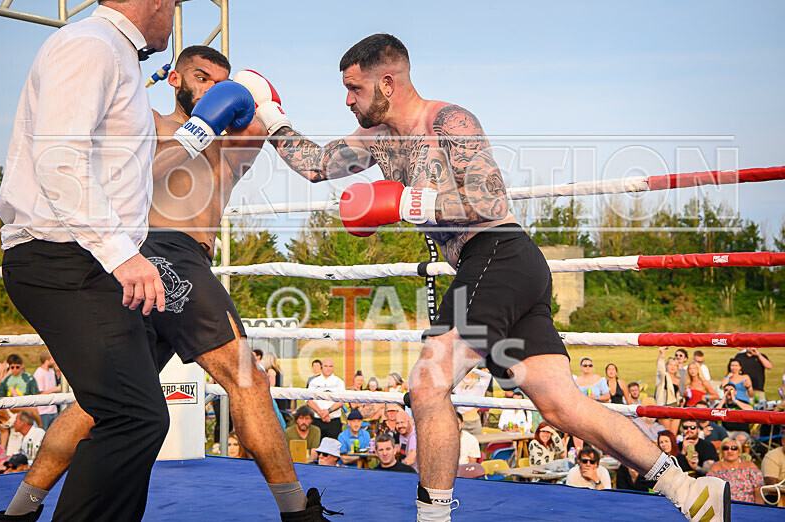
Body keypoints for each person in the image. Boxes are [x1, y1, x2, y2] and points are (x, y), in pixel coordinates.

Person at [246, 33, 729, 521]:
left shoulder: (449, 121)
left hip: (498, 254)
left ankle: (432, 516)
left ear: (387, 81)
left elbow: (491, 202)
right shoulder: (378, 141)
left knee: (428, 383)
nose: (348, 100)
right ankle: (690, 490)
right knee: (561, 406)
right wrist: (269, 113)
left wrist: (415, 202)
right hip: (501, 269)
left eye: (355, 89)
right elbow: (316, 166)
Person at [0, 44, 331, 521]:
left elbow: (301, 155)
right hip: (156, 250)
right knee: (246, 378)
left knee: (106, 404)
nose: (212, 89)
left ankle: (17, 513)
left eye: (222, 82)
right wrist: (196, 131)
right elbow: (127, 177)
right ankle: (299, 513)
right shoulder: (147, 125)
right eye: (201, 77)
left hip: (178, 263)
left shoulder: (233, 141)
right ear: (174, 79)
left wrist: (263, 103)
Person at [0, 1, 175, 519]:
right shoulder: (89, 44)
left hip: (86, 259)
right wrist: (123, 255)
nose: (173, 21)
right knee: (132, 417)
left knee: (129, 415)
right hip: (63, 259)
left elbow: (119, 170)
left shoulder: (114, 54)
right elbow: (60, 158)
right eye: (174, 8)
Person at [707, 438, 764, 504]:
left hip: (748, 506)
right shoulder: (715, 468)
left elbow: (758, 490)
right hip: (723, 507)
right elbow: (710, 491)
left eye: (734, 448)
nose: (730, 451)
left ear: (739, 452)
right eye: (726, 448)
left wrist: (758, 508)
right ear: (722, 452)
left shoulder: (750, 466)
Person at [306, 357, 346, 440]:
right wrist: (321, 413)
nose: (328, 368)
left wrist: (328, 411)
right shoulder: (314, 382)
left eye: (330, 366)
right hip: (317, 420)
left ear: (333, 368)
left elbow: (342, 401)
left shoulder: (339, 382)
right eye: (326, 366)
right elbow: (308, 400)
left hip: (333, 422)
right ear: (321, 367)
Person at [655, 346, 683, 434]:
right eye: (670, 364)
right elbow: (660, 370)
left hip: (676, 407)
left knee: (673, 436)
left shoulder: (678, 379)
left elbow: (677, 394)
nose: (673, 367)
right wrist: (661, 354)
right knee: (666, 434)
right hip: (664, 406)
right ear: (666, 365)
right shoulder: (663, 377)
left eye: (675, 365)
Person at [32, 353, 60, 430]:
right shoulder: (39, 373)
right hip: (43, 411)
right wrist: (55, 389)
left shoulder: (51, 372)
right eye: (52, 359)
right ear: (47, 360)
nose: (54, 361)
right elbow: (39, 393)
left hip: (53, 410)